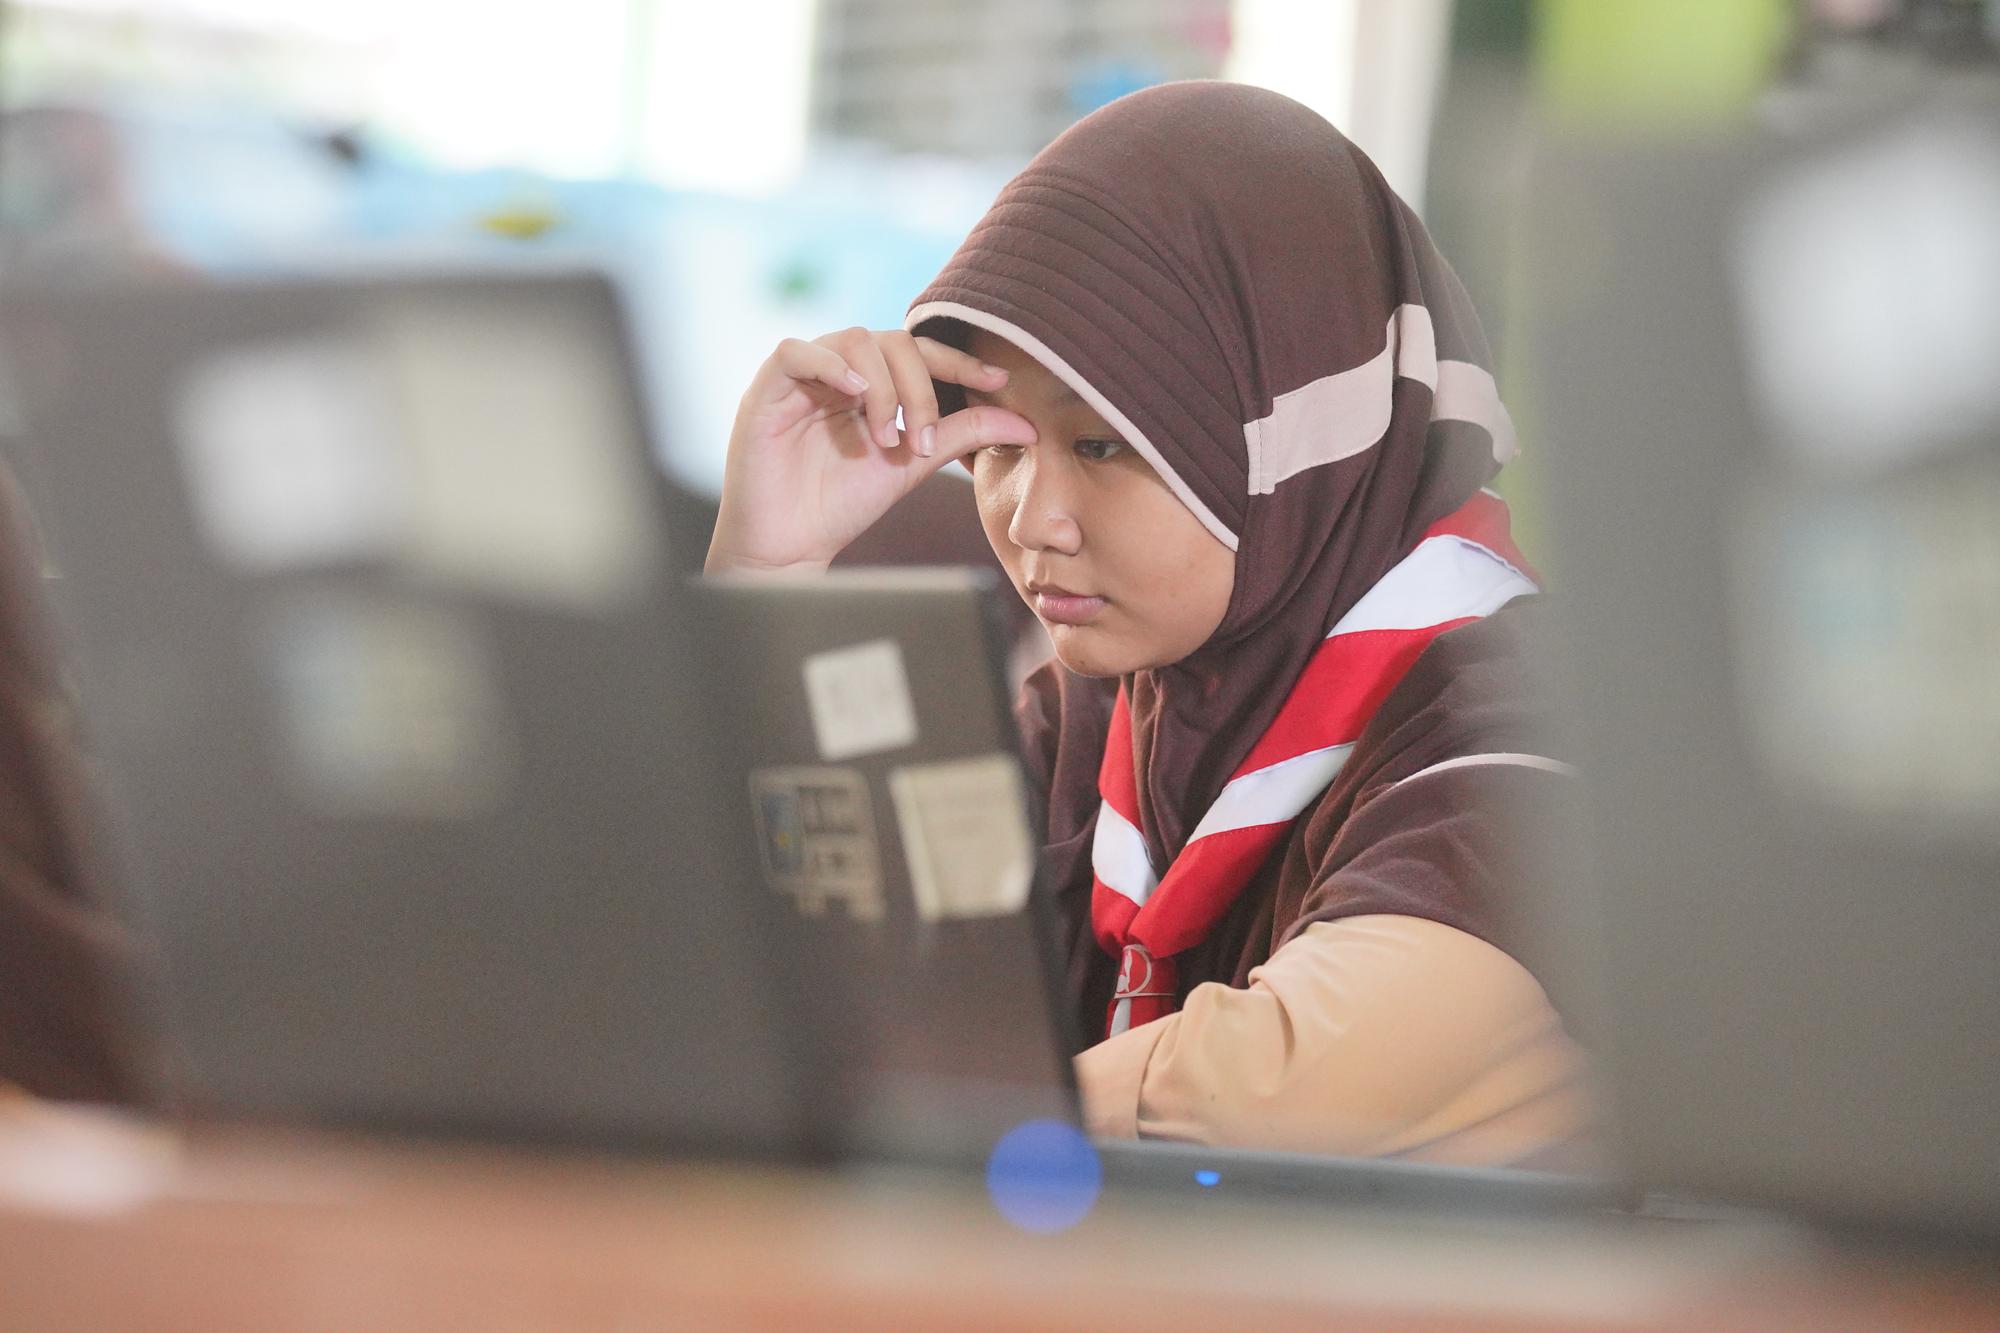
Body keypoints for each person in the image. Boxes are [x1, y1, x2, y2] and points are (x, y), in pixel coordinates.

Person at [708, 82, 1594, 1167]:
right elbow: (780, 973)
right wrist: (766, 578)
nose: (1031, 519)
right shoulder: (1106, 708)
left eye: (1102, 445)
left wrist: (895, 1101)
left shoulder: (1519, 724)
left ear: (1287, 440)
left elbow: (1284, 1089)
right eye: (997, 445)